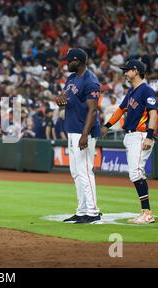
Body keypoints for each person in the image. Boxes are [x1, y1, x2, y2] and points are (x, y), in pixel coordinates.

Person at [101, 60, 157, 224]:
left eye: (127, 70)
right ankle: (145, 211)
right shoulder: (132, 92)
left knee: (136, 173)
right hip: (131, 136)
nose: (125, 73)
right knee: (135, 172)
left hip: (141, 135)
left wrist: (149, 135)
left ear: (136, 71)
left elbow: (153, 114)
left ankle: (147, 213)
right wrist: (107, 126)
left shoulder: (147, 90)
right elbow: (120, 111)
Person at [57, 48, 102, 224]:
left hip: (84, 131)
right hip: (72, 128)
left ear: (78, 61)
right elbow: (66, 100)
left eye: (69, 61)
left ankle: (93, 211)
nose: (66, 63)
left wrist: (85, 134)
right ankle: (82, 210)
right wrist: (59, 101)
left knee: (85, 171)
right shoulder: (71, 78)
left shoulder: (90, 81)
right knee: (76, 172)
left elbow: (93, 110)